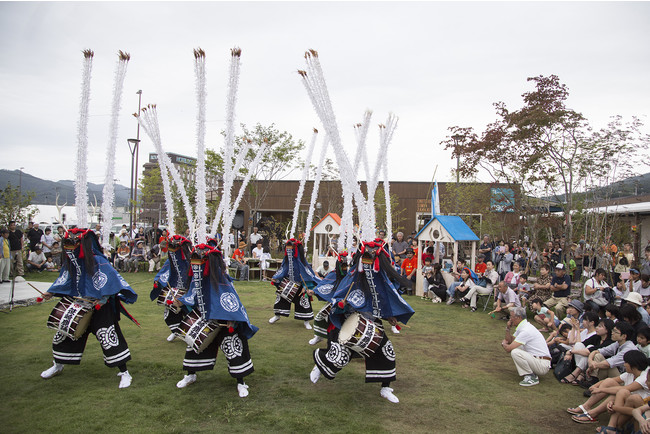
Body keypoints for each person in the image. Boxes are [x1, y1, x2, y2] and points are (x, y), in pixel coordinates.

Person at [310, 239, 414, 403]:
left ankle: (385, 388)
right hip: (348, 319)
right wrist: (341, 303)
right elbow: (338, 295)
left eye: (371, 258)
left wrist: (390, 317)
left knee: (386, 351)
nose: (368, 262)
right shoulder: (352, 276)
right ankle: (320, 364)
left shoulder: (381, 279)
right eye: (366, 258)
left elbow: (384, 302)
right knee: (340, 354)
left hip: (372, 323)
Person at [39, 228, 138, 388]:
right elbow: (64, 280)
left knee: (109, 337)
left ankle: (124, 372)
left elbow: (111, 283)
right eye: (68, 244)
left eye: (73, 244)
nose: (70, 248)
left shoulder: (99, 261)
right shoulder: (72, 261)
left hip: (100, 307)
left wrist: (102, 299)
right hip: (78, 304)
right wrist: (51, 292)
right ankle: (58, 365)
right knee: (64, 333)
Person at [173, 244, 257, 397]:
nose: (196, 263)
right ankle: (191, 374)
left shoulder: (221, 278)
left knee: (233, 348)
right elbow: (192, 295)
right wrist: (181, 302)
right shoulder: (197, 278)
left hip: (225, 320)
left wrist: (233, 320)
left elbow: (231, 300)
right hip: (205, 318)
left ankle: (241, 382)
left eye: (200, 259)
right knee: (194, 346)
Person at [568, 349, 649, 424]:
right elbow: (611, 380)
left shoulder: (644, 377)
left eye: (626, 362)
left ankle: (594, 414)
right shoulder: (630, 374)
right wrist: (595, 385)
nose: (624, 365)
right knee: (609, 381)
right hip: (628, 402)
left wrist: (601, 390)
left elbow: (625, 389)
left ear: (633, 365)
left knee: (621, 392)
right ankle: (586, 406)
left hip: (639, 407)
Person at [268, 238, 321, 329]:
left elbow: (308, 275)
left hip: (300, 285)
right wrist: (276, 279)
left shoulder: (301, 262)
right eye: (287, 249)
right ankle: (277, 315)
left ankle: (306, 321)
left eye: (290, 249)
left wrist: (306, 286)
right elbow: (282, 271)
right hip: (288, 282)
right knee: (281, 298)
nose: (289, 251)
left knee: (304, 301)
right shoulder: (287, 261)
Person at [151, 235, 192, 342]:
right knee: (171, 311)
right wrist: (158, 279)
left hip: (188, 290)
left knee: (189, 312)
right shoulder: (171, 259)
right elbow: (164, 270)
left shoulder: (189, 259)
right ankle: (175, 331)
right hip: (174, 288)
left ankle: (189, 334)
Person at [501, 307, 551, 387]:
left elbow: (508, 348)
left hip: (542, 364)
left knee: (515, 352)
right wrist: (508, 328)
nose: (510, 319)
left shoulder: (526, 330)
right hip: (538, 360)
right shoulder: (523, 326)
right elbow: (510, 340)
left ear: (519, 318)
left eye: (512, 317)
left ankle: (531, 376)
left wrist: (504, 344)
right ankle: (531, 373)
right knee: (517, 348)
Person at [560, 318, 614, 386]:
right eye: (597, 326)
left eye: (600, 326)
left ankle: (575, 374)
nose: (597, 328)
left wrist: (571, 352)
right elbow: (581, 344)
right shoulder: (596, 337)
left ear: (607, 330)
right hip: (587, 363)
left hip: (599, 367)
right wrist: (570, 352)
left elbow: (589, 351)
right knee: (579, 345)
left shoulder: (610, 342)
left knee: (589, 349)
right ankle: (581, 374)